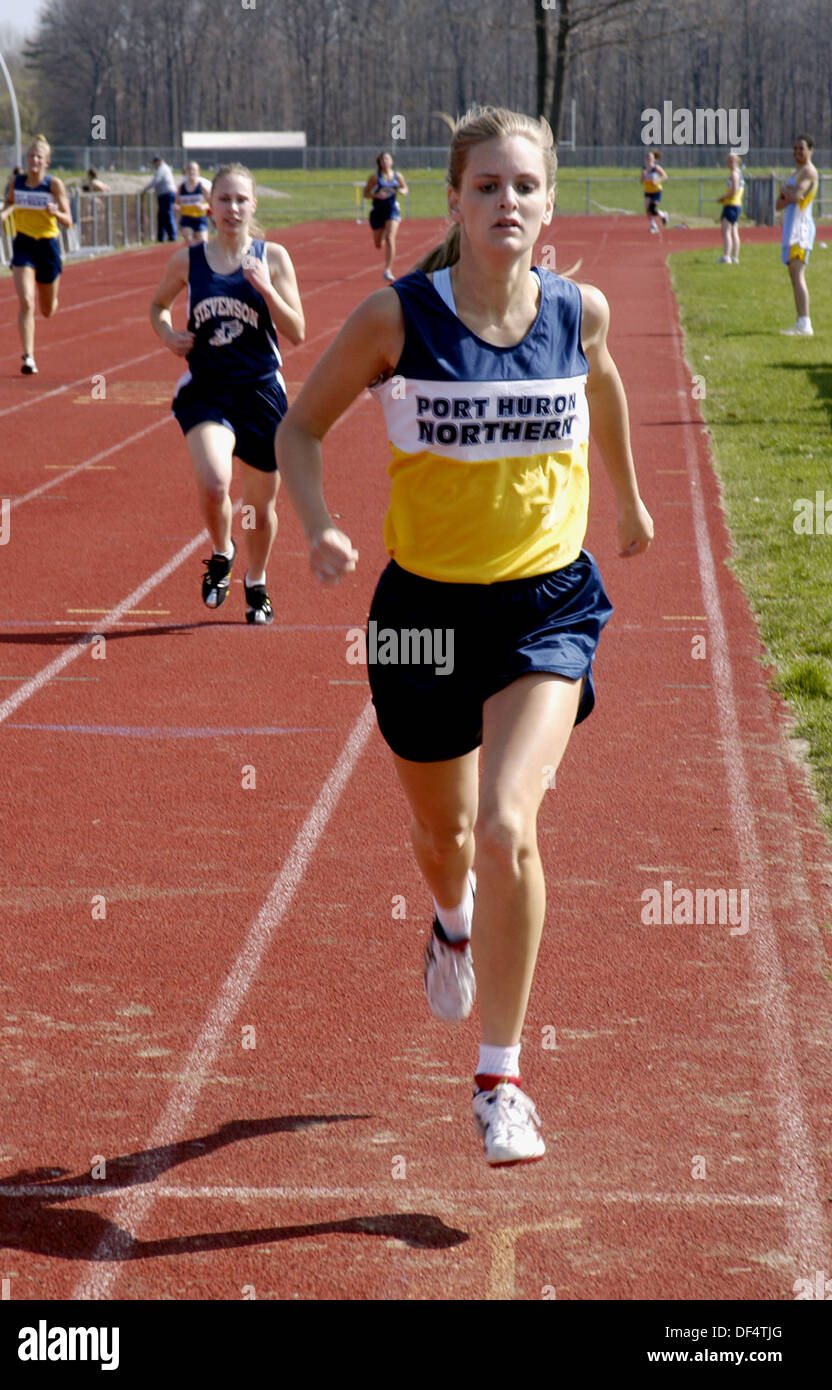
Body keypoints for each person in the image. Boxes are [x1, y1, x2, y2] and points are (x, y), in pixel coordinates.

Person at [276, 105, 653, 1165]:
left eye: (526, 186)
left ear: (549, 200)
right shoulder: (395, 319)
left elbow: (607, 384)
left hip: (547, 605)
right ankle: (450, 920)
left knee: (507, 825)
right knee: (445, 842)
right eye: (486, 186)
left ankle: (500, 1078)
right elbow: (298, 428)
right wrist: (320, 523)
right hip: (419, 618)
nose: (508, 203)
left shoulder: (579, 311)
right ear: (453, 200)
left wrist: (627, 502)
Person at [149, 163, 305, 623]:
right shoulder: (188, 260)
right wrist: (167, 334)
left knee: (260, 504)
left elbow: (297, 331)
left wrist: (267, 291)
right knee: (215, 483)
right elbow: (158, 306)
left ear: (254, 205)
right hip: (207, 389)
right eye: (224, 199)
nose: (233, 208)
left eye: (241, 200)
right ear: (210, 206)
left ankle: (256, 581)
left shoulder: (273, 257)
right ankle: (221, 551)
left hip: (260, 391)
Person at [0, 134, 72, 375]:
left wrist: (55, 212)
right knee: (26, 301)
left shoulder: (53, 185)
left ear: (46, 162)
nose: (34, 160)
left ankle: (51, 297)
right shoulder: (17, 181)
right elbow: (11, 202)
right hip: (24, 244)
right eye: (31, 156)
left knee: (47, 309)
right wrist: (3, 215)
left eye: (39, 157)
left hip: (48, 246)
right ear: (26, 159)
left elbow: (69, 221)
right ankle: (28, 356)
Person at [776, 134, 818, 336]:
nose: (797, 152)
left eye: (801, 148)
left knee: (798, 273)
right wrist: (786, 193)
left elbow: (796, 195)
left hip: (800, 229)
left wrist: (786, 192)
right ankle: (801, 320)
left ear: (811, 150)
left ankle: (805, 323)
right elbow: (779, 203)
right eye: (795, 148)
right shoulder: (795, 173)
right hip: (790, 227)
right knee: (793, 274)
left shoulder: (809, 172)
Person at [363, 151, 408, 281]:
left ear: (392, 161)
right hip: (378, 211)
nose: (385, 162)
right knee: (378, 244)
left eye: (387, 159)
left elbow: (405, 188)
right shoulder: (375, 178)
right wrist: (376, 195)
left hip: (392, 209)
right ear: (380, 162)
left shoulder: (397, 176)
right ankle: (382, 230)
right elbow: (365, 193)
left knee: (390, 238)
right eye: (383, 160)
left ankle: (387, 270)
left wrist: (402, 191)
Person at [175, 161, 213, 245]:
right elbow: (176, 204)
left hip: (200, 218)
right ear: (186, 172)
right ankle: (192, 255)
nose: (191, 172)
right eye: (189, 169)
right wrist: (177, 208)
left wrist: (203, 206)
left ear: (198, 172)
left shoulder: (202, 187)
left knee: (202, 242)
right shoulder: (181, 188)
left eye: (194, 170)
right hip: (186, 218)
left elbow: (211, 203)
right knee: (189, 240)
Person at [716, 153, 744, 263]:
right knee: (734, 230)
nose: (729, 164)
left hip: (731, 204)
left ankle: (727, 256)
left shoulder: (734, 174)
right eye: (728, 161)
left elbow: (734, 191)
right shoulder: (739, 173)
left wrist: (722, 197)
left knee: (726, 231)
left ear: (736, 162)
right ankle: (735, 257)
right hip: (736, 204)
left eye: (731, 161)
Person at [143, 155, 177, 242]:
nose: (154, 166)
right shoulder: (162, 169)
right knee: (162, 216)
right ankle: (161, 237)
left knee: (168, 214)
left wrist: (144, 189)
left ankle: (172, 236)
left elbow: (156, 181)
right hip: (163, 195)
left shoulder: (162, 169)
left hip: (167, 194)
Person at [640, 149, 668, 233]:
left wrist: (657, 180)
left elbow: (665, 176)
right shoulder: (644, 169)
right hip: (648, 191)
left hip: (656, 191)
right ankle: (653, 226)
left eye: (651, 158)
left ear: (653, 159)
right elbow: (641, 181)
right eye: (648, 158)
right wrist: (643, 176)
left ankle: (663, 214)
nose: (649, 160)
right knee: (647, 210)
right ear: (646, 159)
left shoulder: (656, 168)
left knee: (653, 209)